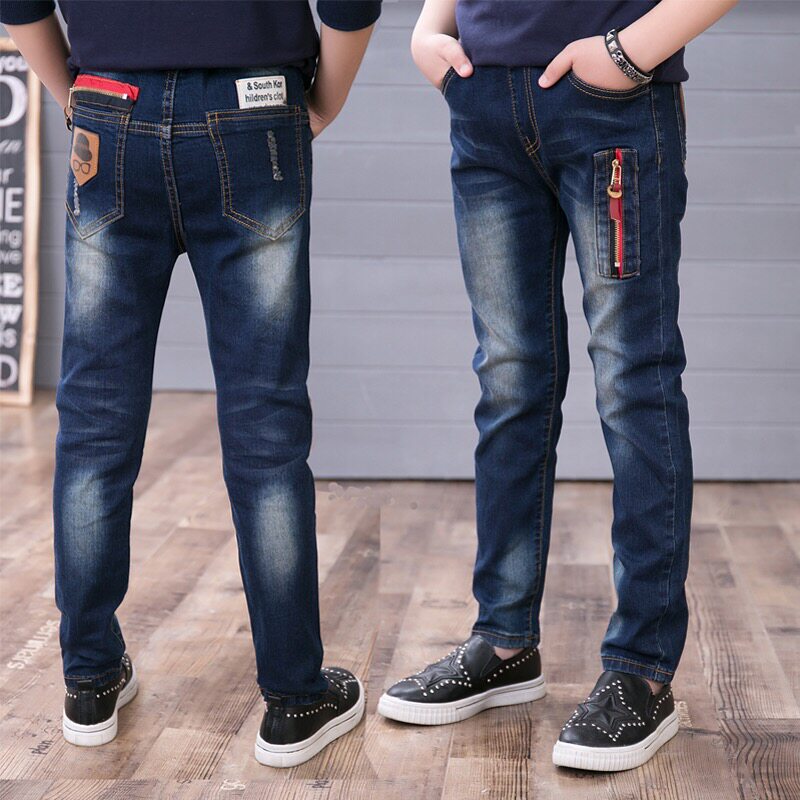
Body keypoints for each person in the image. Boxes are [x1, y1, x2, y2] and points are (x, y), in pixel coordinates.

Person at [0, 0, 379, 768]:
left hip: (109, 104)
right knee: (266, 427)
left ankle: (89, 681)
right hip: (254, 110)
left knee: (94, 423)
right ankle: (295, 700)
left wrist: (75, 93)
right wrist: (324, 101)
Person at [377, 0, 738, 772]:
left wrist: (628, 53)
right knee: (508, 379)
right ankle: (503, 640)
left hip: (611, 103)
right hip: (484, 103)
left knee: (632, 384)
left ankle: (642, 670)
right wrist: (430, 27)